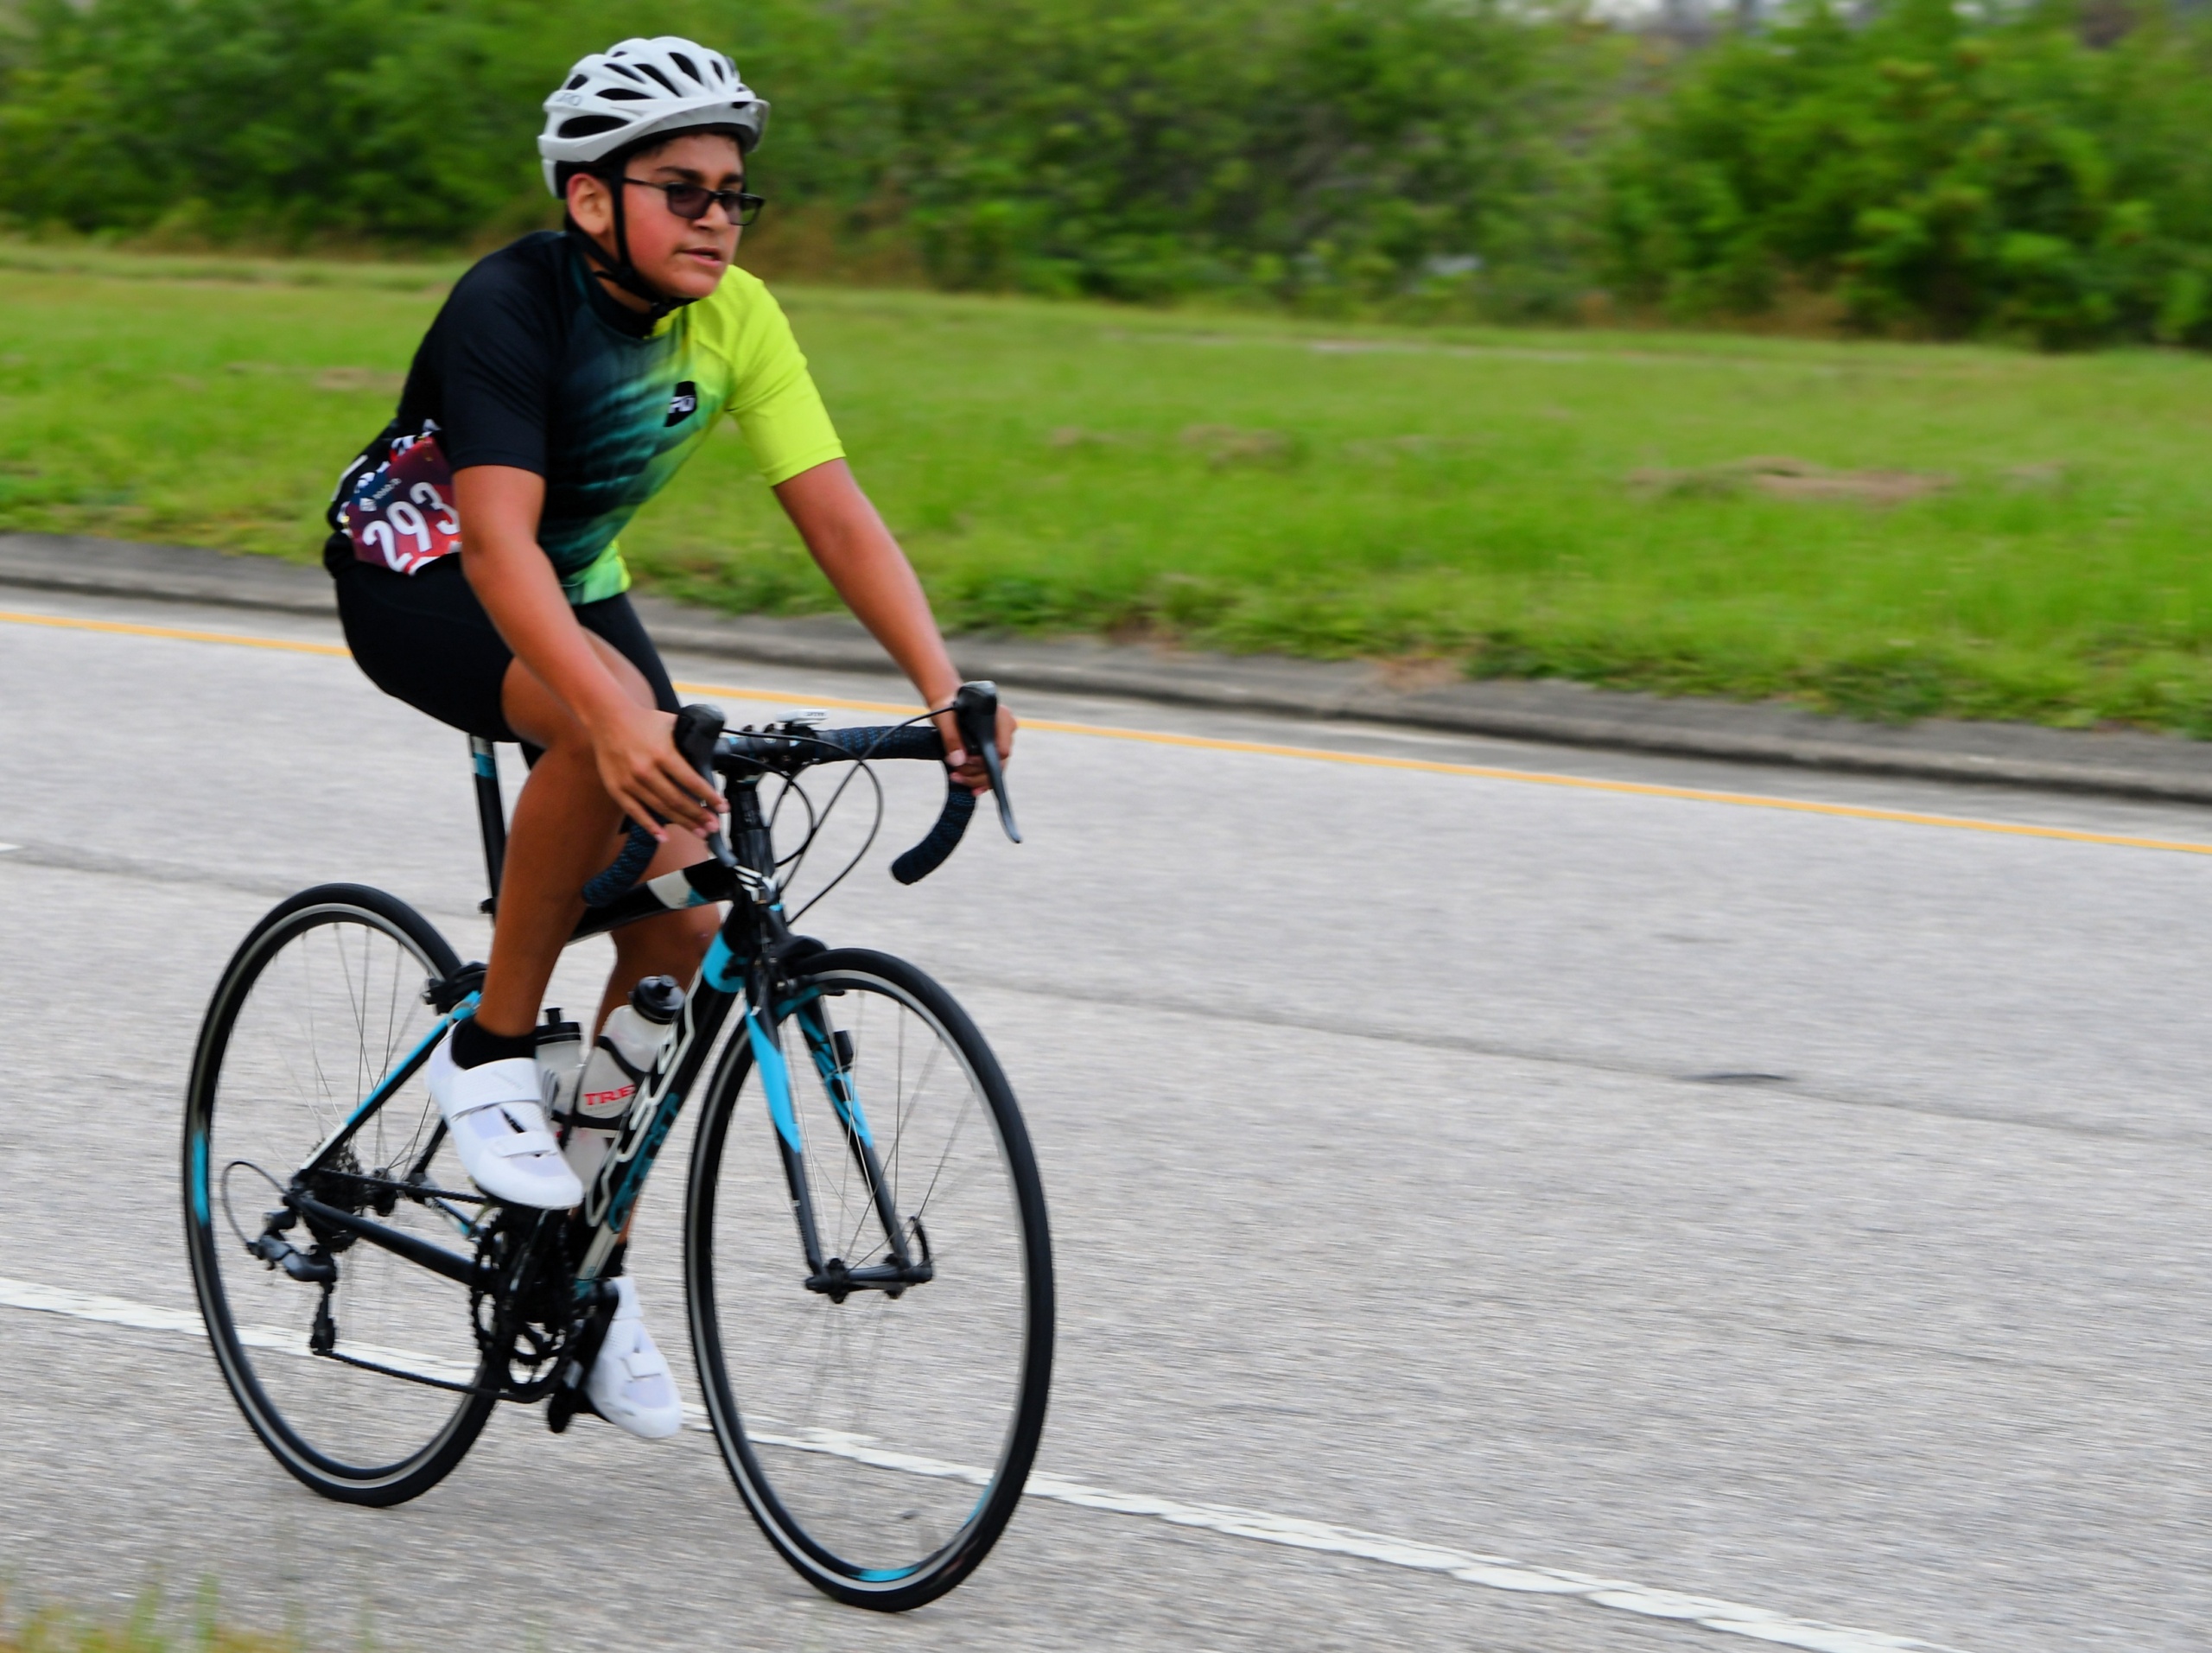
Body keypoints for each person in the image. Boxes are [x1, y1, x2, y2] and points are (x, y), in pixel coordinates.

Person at [324, 35, 1013, 1440]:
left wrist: (943, 688)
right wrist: (603, 710)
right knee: (605, 737)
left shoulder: (739, 317)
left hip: (571, 582)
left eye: (733, 193)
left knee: (687, 915)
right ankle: (489, 1050)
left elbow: (835, 511)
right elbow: (497, 545)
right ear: (591, 199)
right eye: (682, 189)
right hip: (425, 573)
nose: (717, 217)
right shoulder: (511, 304)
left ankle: (582, 1269)